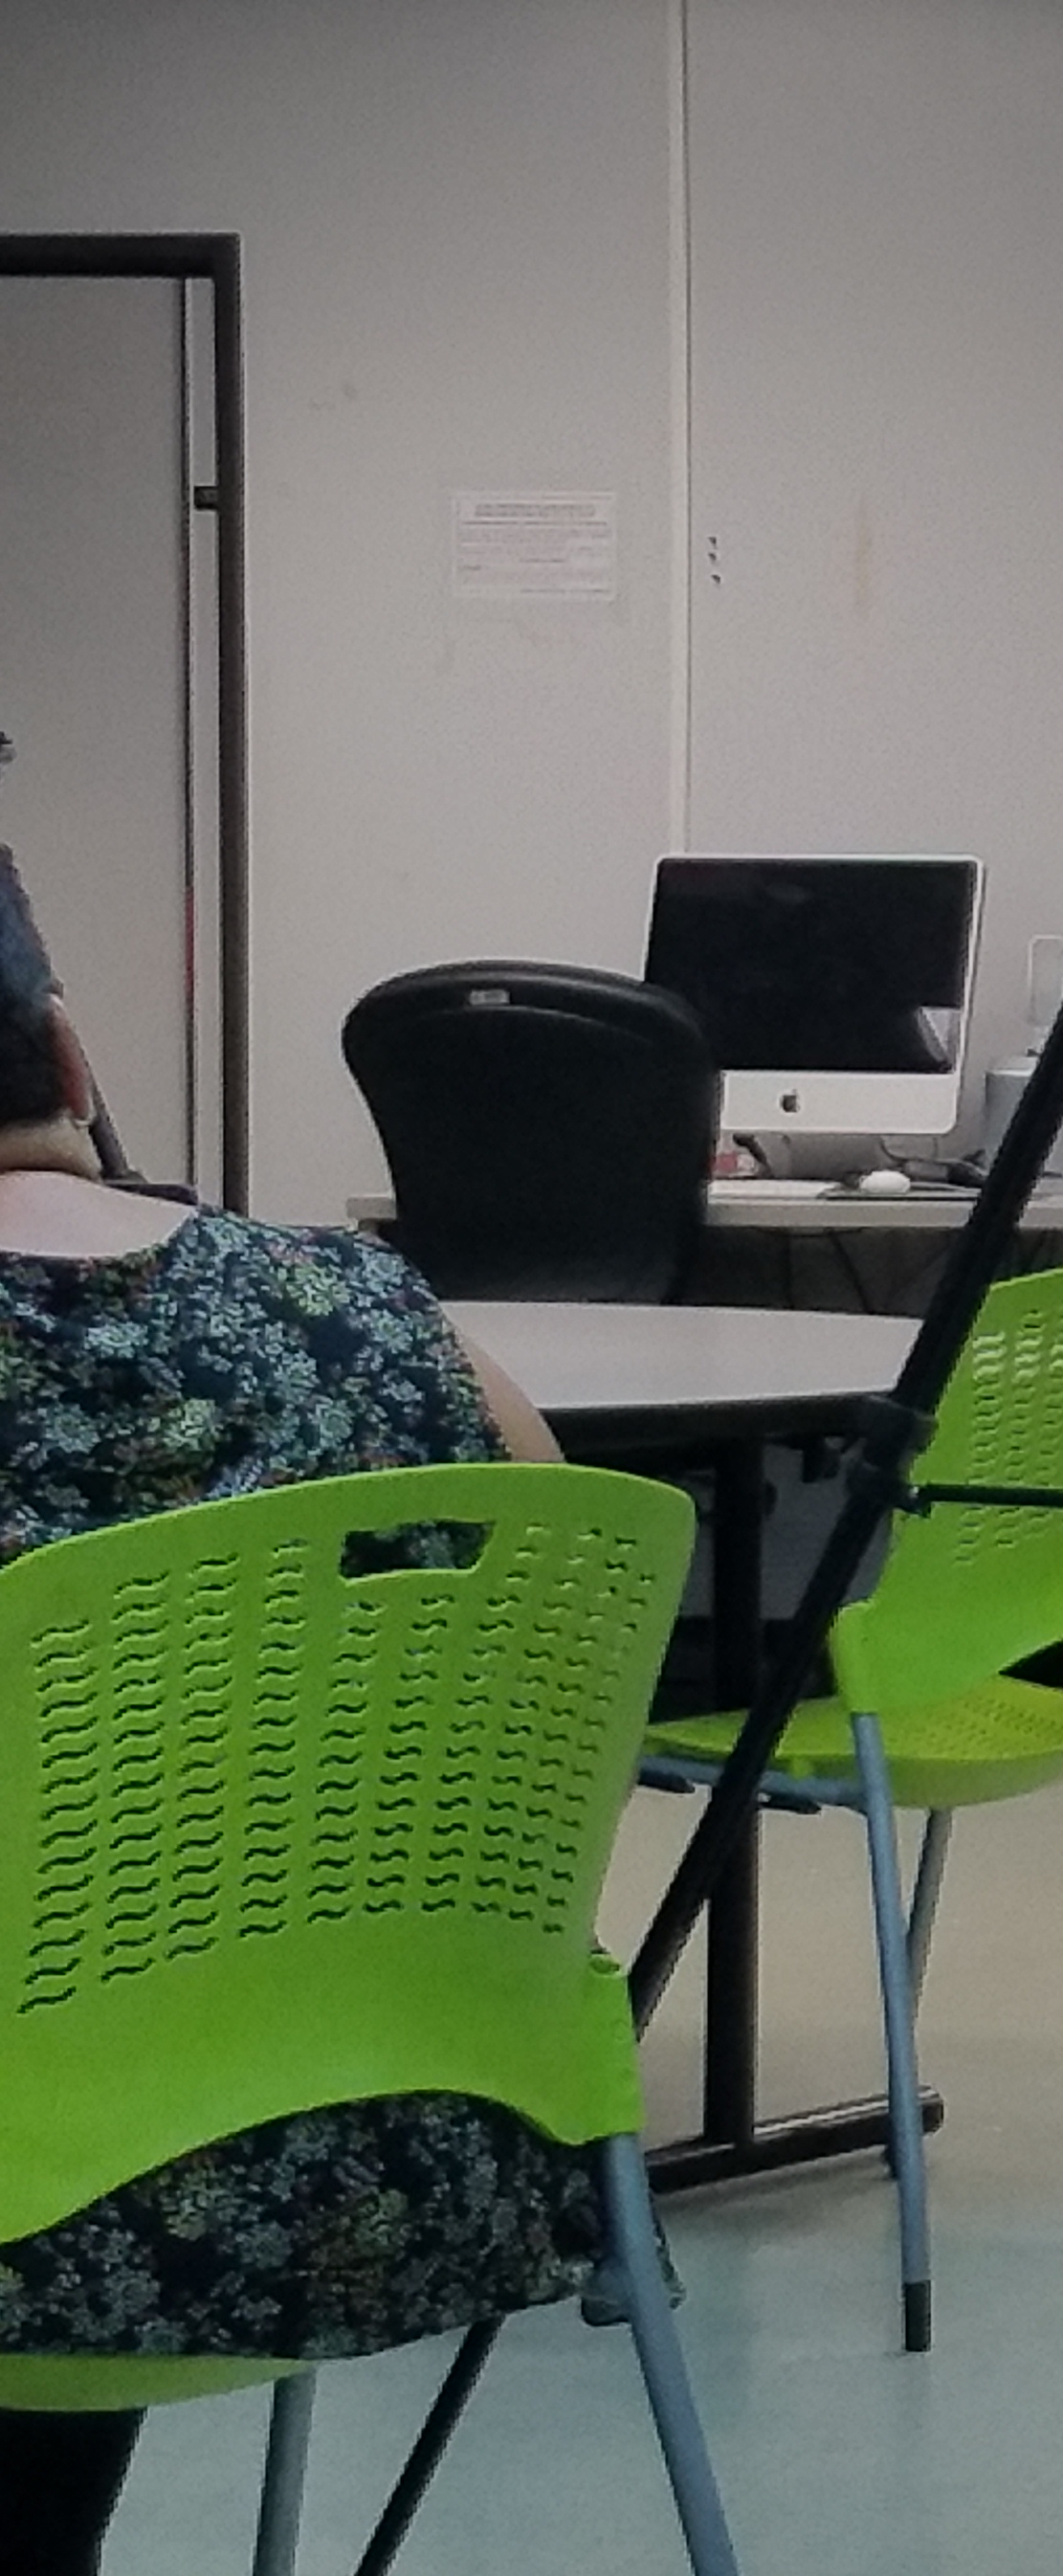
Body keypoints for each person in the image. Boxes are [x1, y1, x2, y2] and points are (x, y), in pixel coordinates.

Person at [0, 846, 577, 2576]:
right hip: (386, 2151)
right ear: (76, 1065)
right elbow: (551, 1667)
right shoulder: (372, 1308)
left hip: (36, 2198)